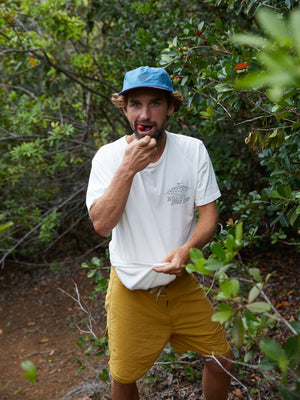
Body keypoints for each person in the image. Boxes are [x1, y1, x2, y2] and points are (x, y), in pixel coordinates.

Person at [86, 66, 234, 400]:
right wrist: (128, 168)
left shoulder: (192, 150)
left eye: (155, 103)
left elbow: (209, 216)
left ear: (170, 108)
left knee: (222, 358)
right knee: (123, 377)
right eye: (135, 104)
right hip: (130, 286)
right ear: (124, 109)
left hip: (181, 283)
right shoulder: (108, 158)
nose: (145, 114)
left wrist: (187, 249)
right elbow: (101, 225)